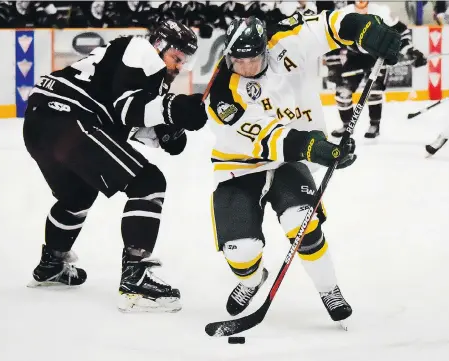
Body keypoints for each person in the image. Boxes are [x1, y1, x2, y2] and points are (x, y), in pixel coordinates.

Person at [204, 11, 400, 323]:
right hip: (239, 165)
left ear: (265, 49)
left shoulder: (285, 42)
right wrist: (313, 146)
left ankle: (328, 288)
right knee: (241, 251)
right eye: (235, 61)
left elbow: (328, 26)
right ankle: (251, 280)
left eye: (250, 60)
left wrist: (362, 29)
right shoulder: (221, 91)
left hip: (288, 161)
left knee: (303, 223)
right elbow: (260, 137)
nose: (242, 67)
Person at [23, 19, 207, 312]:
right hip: (68, 119)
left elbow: (126, 120)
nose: (179, 67)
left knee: (77, 196)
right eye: (177, 57)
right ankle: (136, 281)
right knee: (148, 182)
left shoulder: (132, 65)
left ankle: (51, 264)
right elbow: (127, 108)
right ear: (160, 45)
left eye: (185, 61)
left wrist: (167, 132)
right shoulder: (141, 50)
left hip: (41, 120)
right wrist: (174, 108)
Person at [330, 1, 427, 139]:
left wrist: (411, 51)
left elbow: (401, 32)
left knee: (374, 90)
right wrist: (333, 65)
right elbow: (332, 39)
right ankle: (347, 126)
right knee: (342, 92)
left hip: (376, 57)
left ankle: (374, 125)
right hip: (354, 58)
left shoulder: (380, 11)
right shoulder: (343, 13)